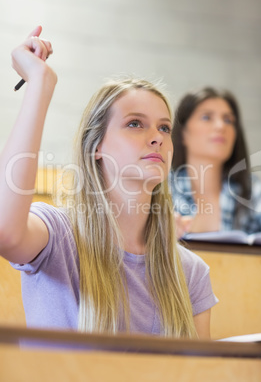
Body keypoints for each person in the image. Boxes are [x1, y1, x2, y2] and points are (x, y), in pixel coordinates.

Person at [0, 27, 218, 339]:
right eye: (134, 123)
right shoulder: (58, 236)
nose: (157, 137)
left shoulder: (191, 272)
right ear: (97, 147)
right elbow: (5, 233)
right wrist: (39, 84)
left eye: (165, 128)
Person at [170, 87, 261, 237]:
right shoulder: (161, 188)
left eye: (228, 120)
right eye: (206, 117)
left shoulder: (252, 191)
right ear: (183, 133)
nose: (221, 126)